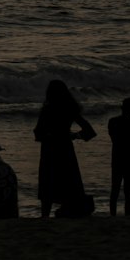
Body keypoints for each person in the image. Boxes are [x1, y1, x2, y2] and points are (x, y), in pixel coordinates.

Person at [34, 80, 96, 218]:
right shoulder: (70, 109)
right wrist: (74, 135)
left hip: (50, 149)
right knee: (68, 182)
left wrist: (50, 135)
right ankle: (68, 211)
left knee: (48, 183)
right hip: (65, 149)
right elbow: (90, 131)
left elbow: (38, 133)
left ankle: (45, 216)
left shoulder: (47, 109)